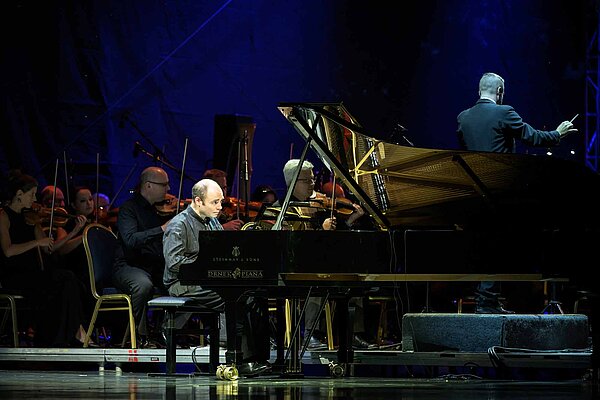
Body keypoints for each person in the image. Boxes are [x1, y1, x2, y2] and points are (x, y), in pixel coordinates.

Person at [456, 72, 577, 314]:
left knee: (483, 247)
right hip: (501, 194)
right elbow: (533, 137)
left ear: (479, 90)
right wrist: (558, 133)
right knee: (499, 246)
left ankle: (486, 301)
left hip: (474, 195)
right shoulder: (504, 112)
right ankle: (488, 302)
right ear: (500, 91)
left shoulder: (463, 117)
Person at [162, 178, 272, 377]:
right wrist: (206, 265)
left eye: (220, 201)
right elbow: (174, 263)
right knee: (235, 299)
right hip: (183, 283)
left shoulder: (212, 221)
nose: (220, 207)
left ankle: (260, 356)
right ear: (198, 201)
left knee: (253, 295)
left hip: (208, 279)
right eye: (215, 202)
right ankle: (239, 359)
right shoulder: (178, 225)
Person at [272, 159, 375, 350]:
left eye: (313, 179)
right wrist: (321, 230)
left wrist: (350, 221)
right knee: (318, 276)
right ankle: (311, 334)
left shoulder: (319, 205)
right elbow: (290, 245)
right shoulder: (282, 208)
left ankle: (352, 333)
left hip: (321, 263)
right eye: (307, 180)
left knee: (354, 277)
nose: (312, 184)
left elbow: (334, 241)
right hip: (294, 268)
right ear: (292, 182)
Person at [0, 170, 90, 347]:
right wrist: (36, 242)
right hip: (14, 276)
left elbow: (49, 248)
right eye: (32, 194)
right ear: (19, 194)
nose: (35, 199)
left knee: (71, 281)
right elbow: (8, 251)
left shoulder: (30, 217)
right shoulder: (3, 216)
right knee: (63, 280)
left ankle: (67, 335)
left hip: (33, 274)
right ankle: (71, 334)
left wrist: (75, 231)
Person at [112, 166, 172, 347]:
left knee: (185, 284)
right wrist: (162, 229)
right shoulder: (129, 209)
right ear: (148, 185)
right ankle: (139, 336)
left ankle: (163, 331)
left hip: (153, 266)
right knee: (143, 285)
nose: (168, 189)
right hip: (129, 266)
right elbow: (130, 240)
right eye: (164, 185)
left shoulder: (157, 210)